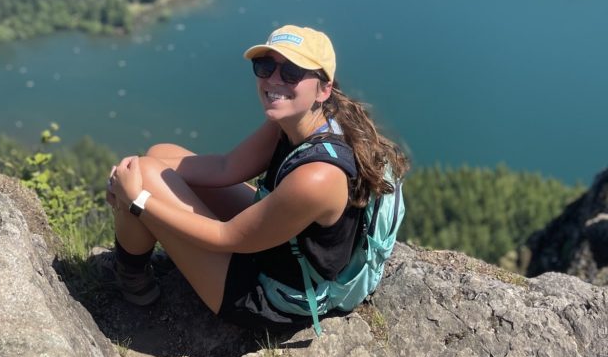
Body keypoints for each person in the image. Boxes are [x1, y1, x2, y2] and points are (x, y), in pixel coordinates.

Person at [106, 24, 408, 332]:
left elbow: (228, 237)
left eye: (291, 72)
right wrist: (131, 171)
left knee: (143, 178)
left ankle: (133, 279)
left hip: (271, 297)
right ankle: (141, 194)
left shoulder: (318, 177)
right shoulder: (304, 122)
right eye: (265, 67)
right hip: (278, 247)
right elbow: (226, 167)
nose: (274, 80)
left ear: (324, 88)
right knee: (156, 155)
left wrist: (138, 200)